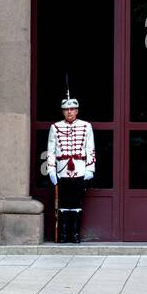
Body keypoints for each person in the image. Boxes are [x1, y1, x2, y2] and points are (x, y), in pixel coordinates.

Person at [47, 93, 95, 244]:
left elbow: (90, 149)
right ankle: (63, 234)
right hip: (62, 170)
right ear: (62, 111)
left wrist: (90, 169)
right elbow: (51, 151)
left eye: (73, 109)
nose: (69, 112)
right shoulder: (55, 127)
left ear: (77, 110)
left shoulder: (86, 126)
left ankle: (74, 234)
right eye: (66, 109)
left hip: (80, 169)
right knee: (62, 203)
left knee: (77, 203)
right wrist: (51, 170)